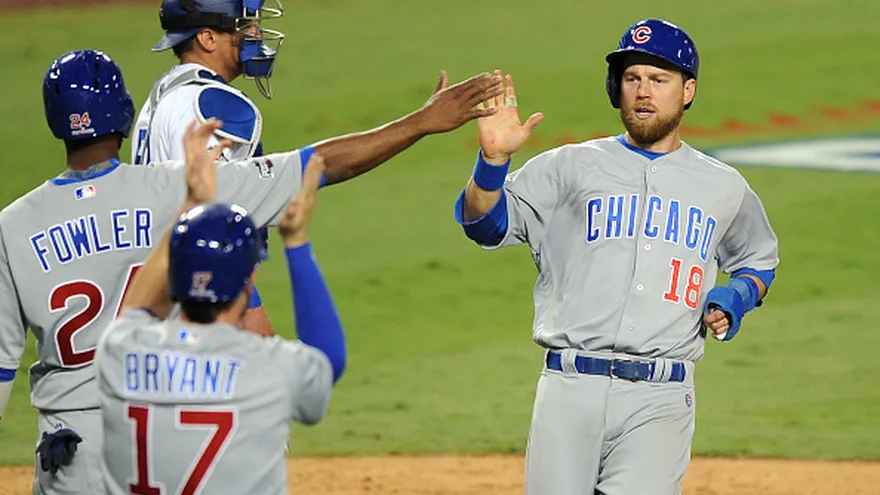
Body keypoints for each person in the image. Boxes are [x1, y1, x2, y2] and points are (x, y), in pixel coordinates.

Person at [0, 47, 497, 494]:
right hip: (170, 423)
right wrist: (420, 122)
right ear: (125, 115)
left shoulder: (11, 226)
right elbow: (321, 162)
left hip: (71, 453)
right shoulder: (172, 188)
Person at [453, 19, 779, 494]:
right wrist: (492, 164)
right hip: (569, 389)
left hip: (662, 398)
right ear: (616, 89)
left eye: (658, 79)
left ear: (687, 91)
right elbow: (484, 224)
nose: (643, 91)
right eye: (632, 78)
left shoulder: (723, 186)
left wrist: (738, 295)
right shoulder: (569, 167)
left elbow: (759, 258)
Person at [132, 0, 505, 336]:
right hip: (198, 311)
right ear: (208, 38)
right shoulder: (216, 104)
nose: (255, 33)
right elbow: (216, 223)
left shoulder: (161, 96)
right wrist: (420, 122)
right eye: (243, 25)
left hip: (153, 295)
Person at [96, 119, 340, 495]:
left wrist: (192, 203)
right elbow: (328, 363)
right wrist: (297, 244)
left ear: (175, 280)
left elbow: (137, 305)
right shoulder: (270, 367)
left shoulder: (121, 349)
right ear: (248, 282)